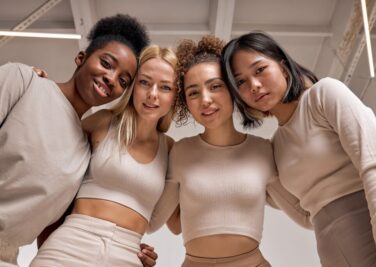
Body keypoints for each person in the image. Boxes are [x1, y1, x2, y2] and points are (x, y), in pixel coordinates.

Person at [221, 32, 376, 267]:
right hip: (331, 251)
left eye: (259, 70)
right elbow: (306, 216)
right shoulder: (276, 147)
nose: (254, 85)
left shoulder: (324, 95)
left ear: (283, 66)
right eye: (241, 82)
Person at [0, 14, 156, 266]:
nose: (111, 78)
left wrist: (126, 248)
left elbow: (53, 227)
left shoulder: (86, 150)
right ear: (81, 58)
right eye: (106, 63)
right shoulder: (24, 82)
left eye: (123, 80)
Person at [147, 35, 311, 267]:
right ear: (185, 102)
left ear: (233, 90)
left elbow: (305, 216)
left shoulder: (262, 150)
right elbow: (153, 222)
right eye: (193, 92)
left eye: (215, 86)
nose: (205, 99)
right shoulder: (181, 153)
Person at [30, 44, 177, 266]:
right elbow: (47, 138)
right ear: (133, 86)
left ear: (176, 96)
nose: (152, 94)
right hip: (70, 243)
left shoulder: (171, 150)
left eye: (165, 87)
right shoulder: (103, 122)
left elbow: (154, 221)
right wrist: (37, 88)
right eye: (144, 82)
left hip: (128, 253)